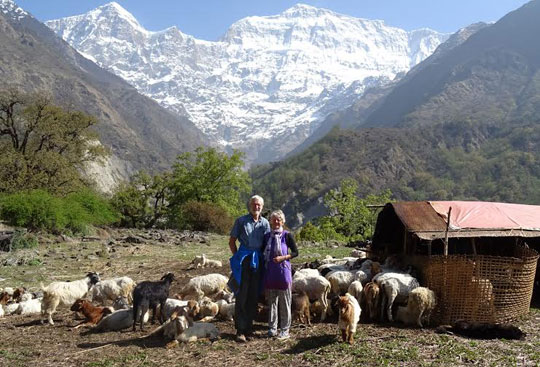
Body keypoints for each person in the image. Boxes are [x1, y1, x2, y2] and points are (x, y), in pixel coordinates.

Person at [228, 195, 271, 343]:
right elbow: (232, 241)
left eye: (259, 205)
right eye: (254, 204)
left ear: (262, 207)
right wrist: (237, 257)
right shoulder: (241, 221)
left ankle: (249, 328)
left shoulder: (265, 223)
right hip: (244, 260)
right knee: (242, 294)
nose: (256, 207)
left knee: (254, 295)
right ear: (249, 205)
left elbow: (267, 243)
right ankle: (240, 330)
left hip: (258, 260)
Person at [262, 209, 298, 340]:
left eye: (279, 219)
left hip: (283, 272)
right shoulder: (267, 236)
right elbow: (262, 253)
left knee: (285, 302)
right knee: (272, 302)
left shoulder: (287, 235)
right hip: (271, 272)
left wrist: (283, 257)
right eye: (274, 219)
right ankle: (272, 328)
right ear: (270, 221)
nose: (276, 221)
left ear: (283, 221)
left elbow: (295, 252)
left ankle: (285, 329)